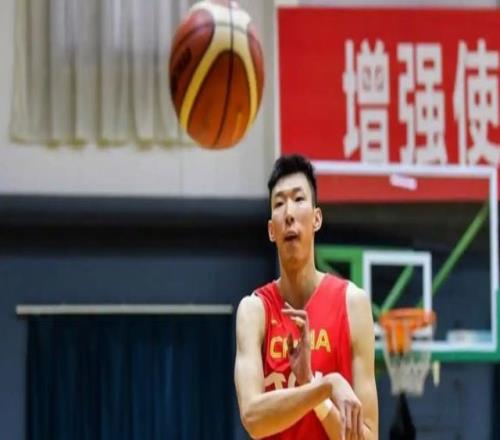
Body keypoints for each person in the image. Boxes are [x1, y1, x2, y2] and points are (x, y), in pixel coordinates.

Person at [234, 154, 378, 440]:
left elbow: (368, 437)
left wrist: (312, 388)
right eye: (279, 204)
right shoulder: (254, 311)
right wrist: (324, 387)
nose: (288, 213)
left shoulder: (353, 304)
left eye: (299, 199)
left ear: (316, 219)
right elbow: (252, 417)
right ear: (271, 230)